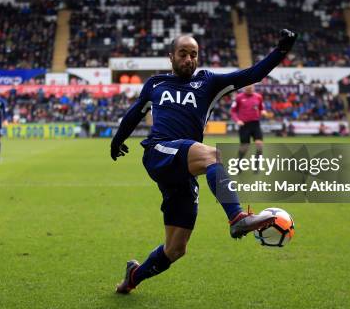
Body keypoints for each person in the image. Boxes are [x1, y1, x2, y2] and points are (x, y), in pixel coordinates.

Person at [111, 30, 296, 294]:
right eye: (183, 54)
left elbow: (251, 75)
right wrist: (117, 141)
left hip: (184, 168)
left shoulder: (208, 83)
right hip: (159, 153)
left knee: (175, 249)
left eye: (193, 54)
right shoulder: (155, 84)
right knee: (213, 155)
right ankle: (237, 219)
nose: (188, 59)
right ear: (171, 57)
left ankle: (133, 277)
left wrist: (281, 51)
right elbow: (134, 113)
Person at [230, 84, 265, 163]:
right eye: (248, 89)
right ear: (245, 88)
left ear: (253, 88)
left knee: (259, 144)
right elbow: (233, 111)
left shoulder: (258, 97)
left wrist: (263, 112)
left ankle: (257, 164)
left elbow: (261, 108)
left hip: (255, 124)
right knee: (245, 147)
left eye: (251, 88)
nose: (250, 90)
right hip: (244, 125)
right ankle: (238, 163)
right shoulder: (239, 97)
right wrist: (237, 120)